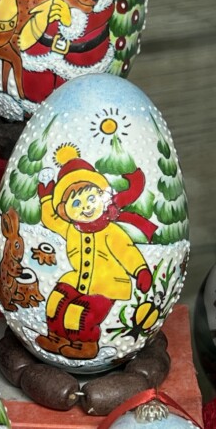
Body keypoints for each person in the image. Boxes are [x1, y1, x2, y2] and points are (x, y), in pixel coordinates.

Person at [36, 150, 156, 359]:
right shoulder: (71, 228)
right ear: (64, 210)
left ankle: (85, 344)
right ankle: (57, 338)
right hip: (78, 278)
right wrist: (46, 198)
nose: (85, 206)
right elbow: (49, 220)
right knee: (56, 300)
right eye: (76, 203)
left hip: (108, 284)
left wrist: (141, 271)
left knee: (79, 312)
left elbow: (127, 251)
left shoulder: (110, 231)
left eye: (91, 198)